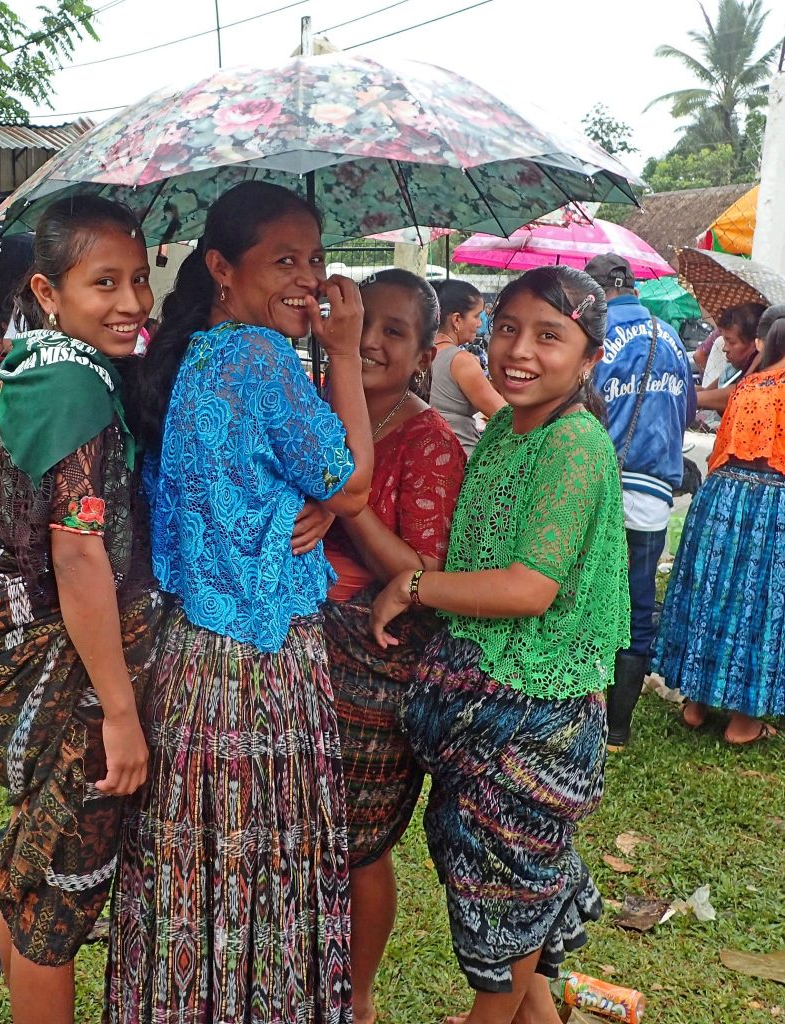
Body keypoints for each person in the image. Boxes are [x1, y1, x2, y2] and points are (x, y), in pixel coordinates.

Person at [107, 180, 374, 1024]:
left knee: (202, 869)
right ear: (222, 268)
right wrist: (344, 352)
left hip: (194, 663)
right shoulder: (260, 359)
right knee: (264, 865)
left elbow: (259, 482)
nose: (309, 279)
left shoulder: (195, 354)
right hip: (261, 665)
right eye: (283, 260)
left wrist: (311, 499)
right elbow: (353, 483)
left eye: (316, 260)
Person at [0, 196, 161, 1024]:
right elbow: (78, 554)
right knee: (56, 893)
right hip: (49, 646)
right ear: (49, 291)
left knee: (37, 849)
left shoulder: (43, 361)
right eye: (104, 283)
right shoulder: (73, 385)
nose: (131, 302)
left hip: (6, 630)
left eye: (139, 279)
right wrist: (119, 712)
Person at [371, 266, 629, 1024]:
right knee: (503, 873)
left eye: (549, 336)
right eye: (507, 329)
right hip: (488, 700)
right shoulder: (509, 433)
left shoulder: (573, 445)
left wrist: (413, 587)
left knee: (509, 890)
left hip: (536, 710)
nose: (518, 351)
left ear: (587, 358)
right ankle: (535, 1015)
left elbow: (527, 588)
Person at [318, 269, 465, 1024]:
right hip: (294, 644)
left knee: (360, 843)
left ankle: (360, 999)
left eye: (394, 331)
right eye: (362, 321)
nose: (370, 340)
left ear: (425, 356)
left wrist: (345, 496)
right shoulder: (309, 405)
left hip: (377, 662)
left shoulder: (430, 442)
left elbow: (421, 574)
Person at [654, 304, 785, 746]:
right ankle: (743, 723)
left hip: (721, 498)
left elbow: (721, 449)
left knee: (713, 592)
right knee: (761, 603)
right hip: (773, 505)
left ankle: (696, 704)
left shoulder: (747, 386)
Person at [583, 253, 696, 749]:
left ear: (598, 291)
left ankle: (578, 707)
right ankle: (618, 727)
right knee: (638, 603)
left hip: (599, 482)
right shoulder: (669, 336)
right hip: (653, 492)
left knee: (583, 592)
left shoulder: (596, 336)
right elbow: (687, 411)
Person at [428, 280, 505, 457]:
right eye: (476, 316)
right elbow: (505, 416)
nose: (479, 323)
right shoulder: (460, 360)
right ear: (456, 319)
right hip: (461, 459)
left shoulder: (416, 354)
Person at [696, 302, 766, 426]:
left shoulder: (766, 372)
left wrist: (689, 399)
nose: (725, 349)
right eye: (725, 341)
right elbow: (708, 392)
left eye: (731, 342)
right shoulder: (734, 370)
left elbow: (736, 394)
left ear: (756, 343)